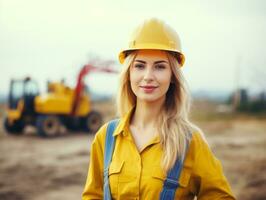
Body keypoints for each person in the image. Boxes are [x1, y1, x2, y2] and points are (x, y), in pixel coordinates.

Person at [82, 18, 236, 200]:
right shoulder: (106, 137)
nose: (148, 76)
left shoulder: (190, 142)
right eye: (139, 66)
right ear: (128, 73)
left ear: (172, 76)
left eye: (160, 67)